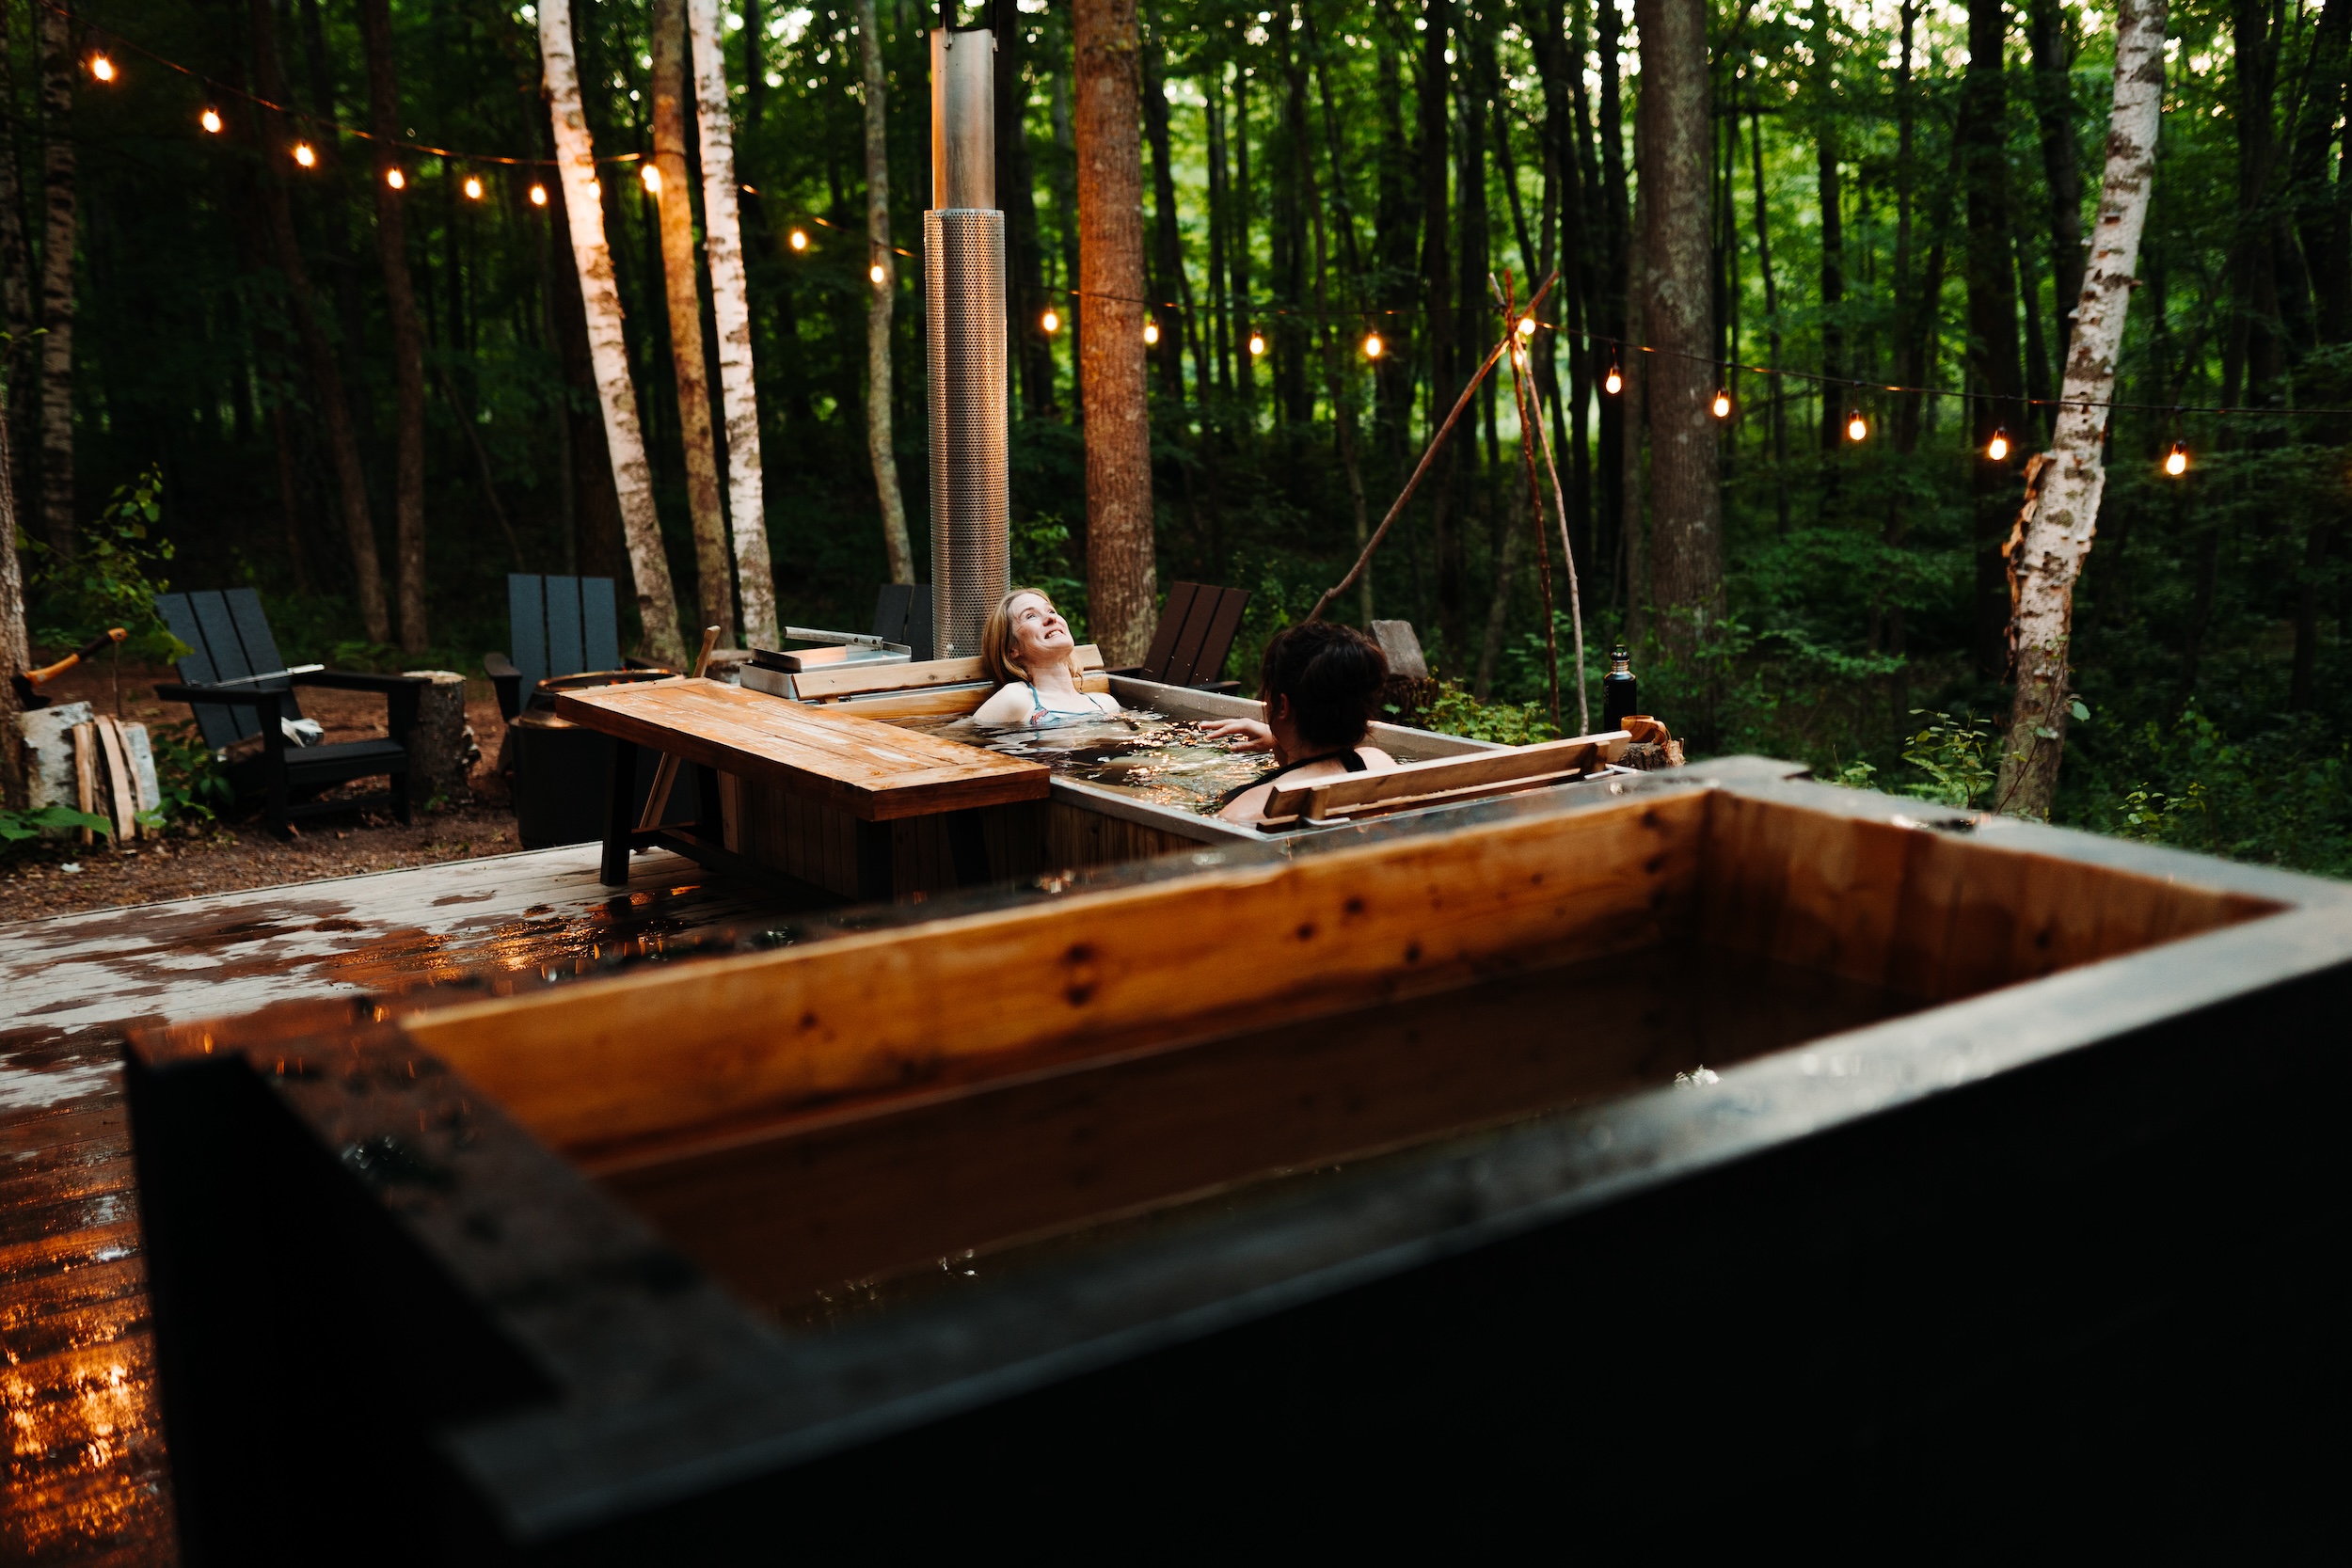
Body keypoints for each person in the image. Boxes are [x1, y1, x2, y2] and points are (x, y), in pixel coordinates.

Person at [1205, 621, 1394, 824]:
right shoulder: (1380, 763)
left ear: (1283, 706)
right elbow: (1321, 764)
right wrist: (1279, 739)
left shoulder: (1245, 811)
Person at [971, 588, 1123, 726]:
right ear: (1012, 650)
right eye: (1030, 616)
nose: (1051, 619)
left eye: (1051, 611)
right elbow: (964, 748)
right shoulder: (1016, 698)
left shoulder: (1105, 703)